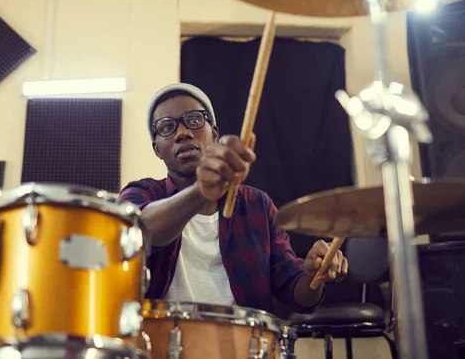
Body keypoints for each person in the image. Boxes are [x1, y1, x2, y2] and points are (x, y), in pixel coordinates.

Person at [119, 82, 348, 315]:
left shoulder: (257, 204)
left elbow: (297, 295)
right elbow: (142, 231)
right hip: (162, 345)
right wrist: (201, 190)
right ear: (157, 149)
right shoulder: (141, 193)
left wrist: (314, 275)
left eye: (195, 120)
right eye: (167, 127)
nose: (183, 133)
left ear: (214, 134)